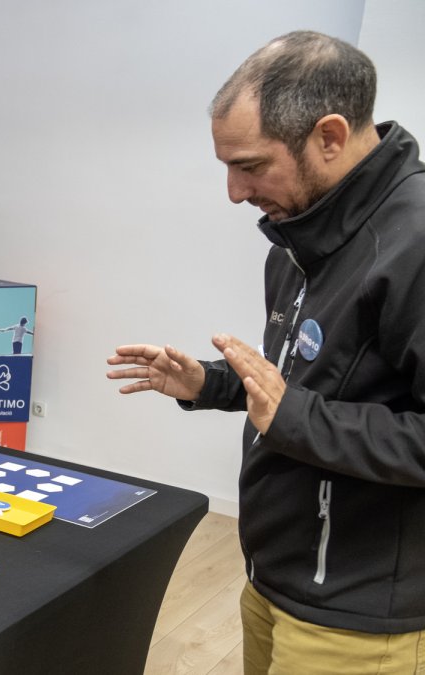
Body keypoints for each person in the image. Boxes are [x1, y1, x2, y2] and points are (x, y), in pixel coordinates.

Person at [107, 31, 425, 673]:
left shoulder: (414, 242)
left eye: (250, 165)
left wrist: (295, 418)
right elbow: (309, 380)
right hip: (272, 576)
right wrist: (212, 384)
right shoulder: (296, 234)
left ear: (330, 137)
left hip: (357, 617)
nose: (233, 191)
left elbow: (308, 412)